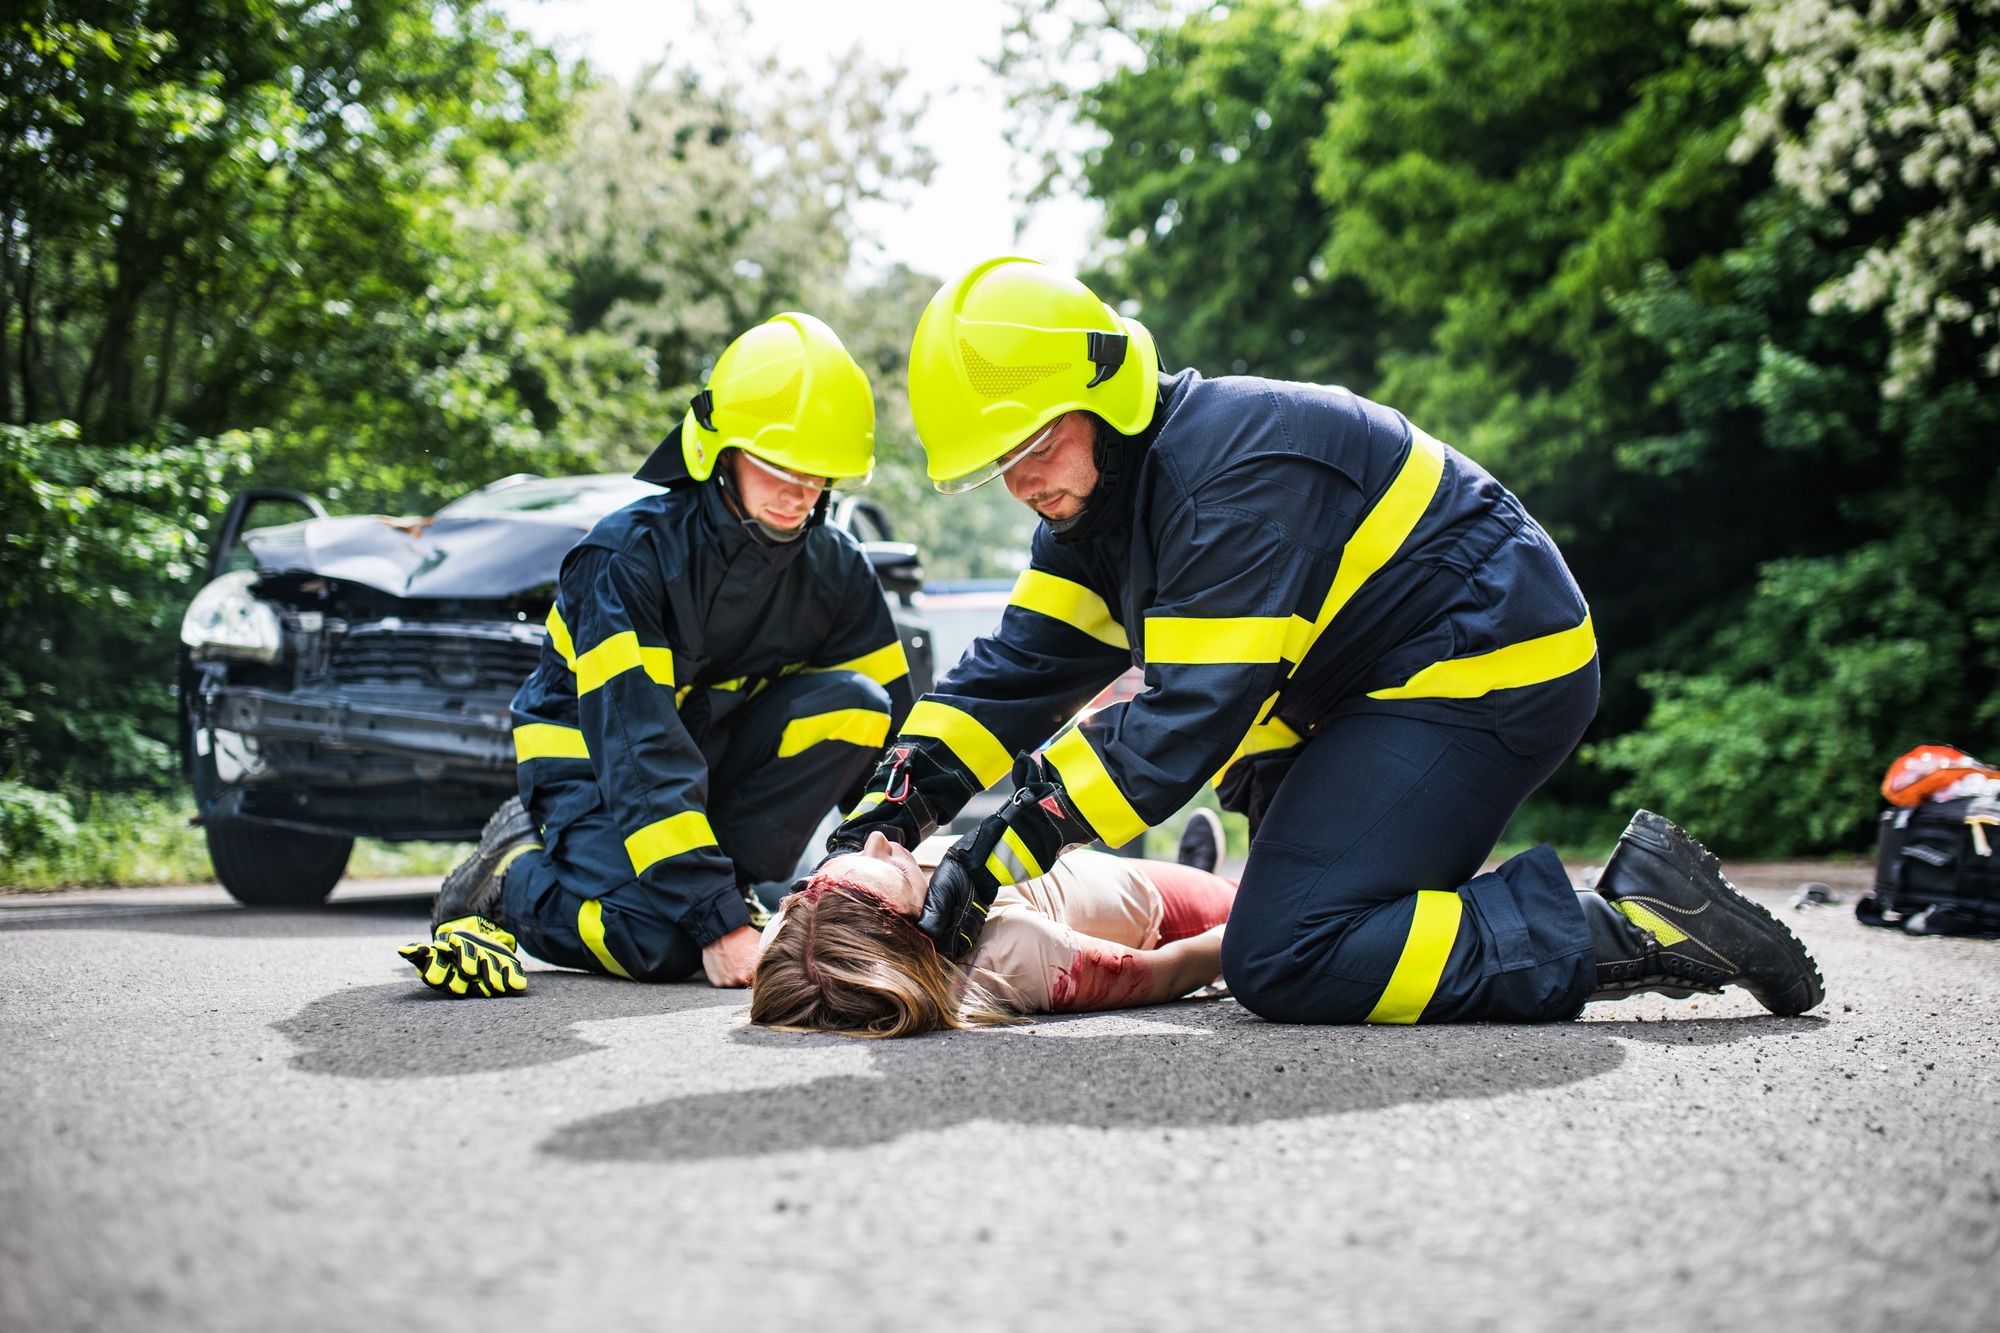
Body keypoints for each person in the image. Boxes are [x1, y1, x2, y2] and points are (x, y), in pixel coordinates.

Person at [824, 257, 1824, 1026]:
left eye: (1032, 442)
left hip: (1482, 669)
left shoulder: (1227, 474)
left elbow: (1184, 718)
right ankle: (1409, 903)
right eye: (997, 461)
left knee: (1288, 951)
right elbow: (1014, 671)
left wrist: (1001, 844)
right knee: (1301, 915)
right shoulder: (1098, 508)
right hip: (1367, 689)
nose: (1019, 478)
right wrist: (891, 808)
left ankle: (1636, 923)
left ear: (1103, 393)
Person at [400, 313, 914, 998]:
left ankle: (721, 885)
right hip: (592, 766)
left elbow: (898, 736)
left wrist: (897, 871)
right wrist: (713, 922)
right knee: (661, 940)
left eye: (820, 473)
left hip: (700, 761)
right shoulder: (625, 559)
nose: (800, 490)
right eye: (779, 464)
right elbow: (637, 745)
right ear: (718, 448)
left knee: (859, 706)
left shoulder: (838, 570)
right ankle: (507, 881)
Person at [750, 828, 1237, 1037]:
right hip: (1153, 906)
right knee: (1249, 898)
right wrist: (1245, 936)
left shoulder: (796, 934)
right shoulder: (1015, 952)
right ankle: (1217, 883)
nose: (878, 839)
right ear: (924, 933)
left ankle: (1197, 868)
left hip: (1084, 871)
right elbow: (1169, 973)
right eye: (891, 868)